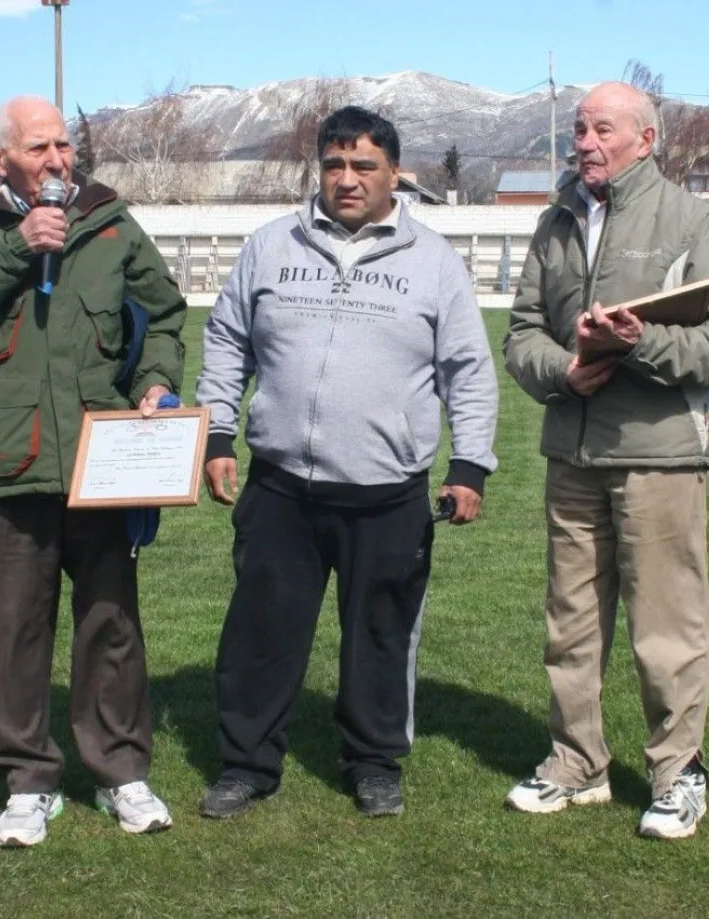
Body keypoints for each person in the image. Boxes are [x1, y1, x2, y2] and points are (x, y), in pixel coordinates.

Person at [0, 96, 187, 847]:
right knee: (11, 631)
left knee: (112, 623)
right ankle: (28, 779)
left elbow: (166, 313)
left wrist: (154, 380)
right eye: (39, 148)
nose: (58, 160)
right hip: (4, 461)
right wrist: (16, 247)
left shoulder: (111, 221)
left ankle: (122, 771)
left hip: (101, 459)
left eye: (63, 145)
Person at [195, 106, 498, 819]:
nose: (347, 179)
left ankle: (373, 763)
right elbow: (224, 344)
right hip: (280, 489)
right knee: (261, 633)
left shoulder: (433, 262)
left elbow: (469, 370)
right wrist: (214, 436)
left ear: (395, 173)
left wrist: (470, 466)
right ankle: (246, 763)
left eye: (364, 166)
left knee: (380, 636)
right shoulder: (271, 246)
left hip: (388, 492)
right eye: (334, 164)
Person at [502, 82, 709, 839]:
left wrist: (638, 341)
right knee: (570, 622)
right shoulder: (555, 221)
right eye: (579, 128)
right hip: (571, 453)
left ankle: (678, 774)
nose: (583, 140)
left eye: (600, 128)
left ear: (645, 140)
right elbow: (521, 334)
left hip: (661, 458)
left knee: (665, 625)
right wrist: (564, 371)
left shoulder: (690, 219)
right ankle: (577, 761)